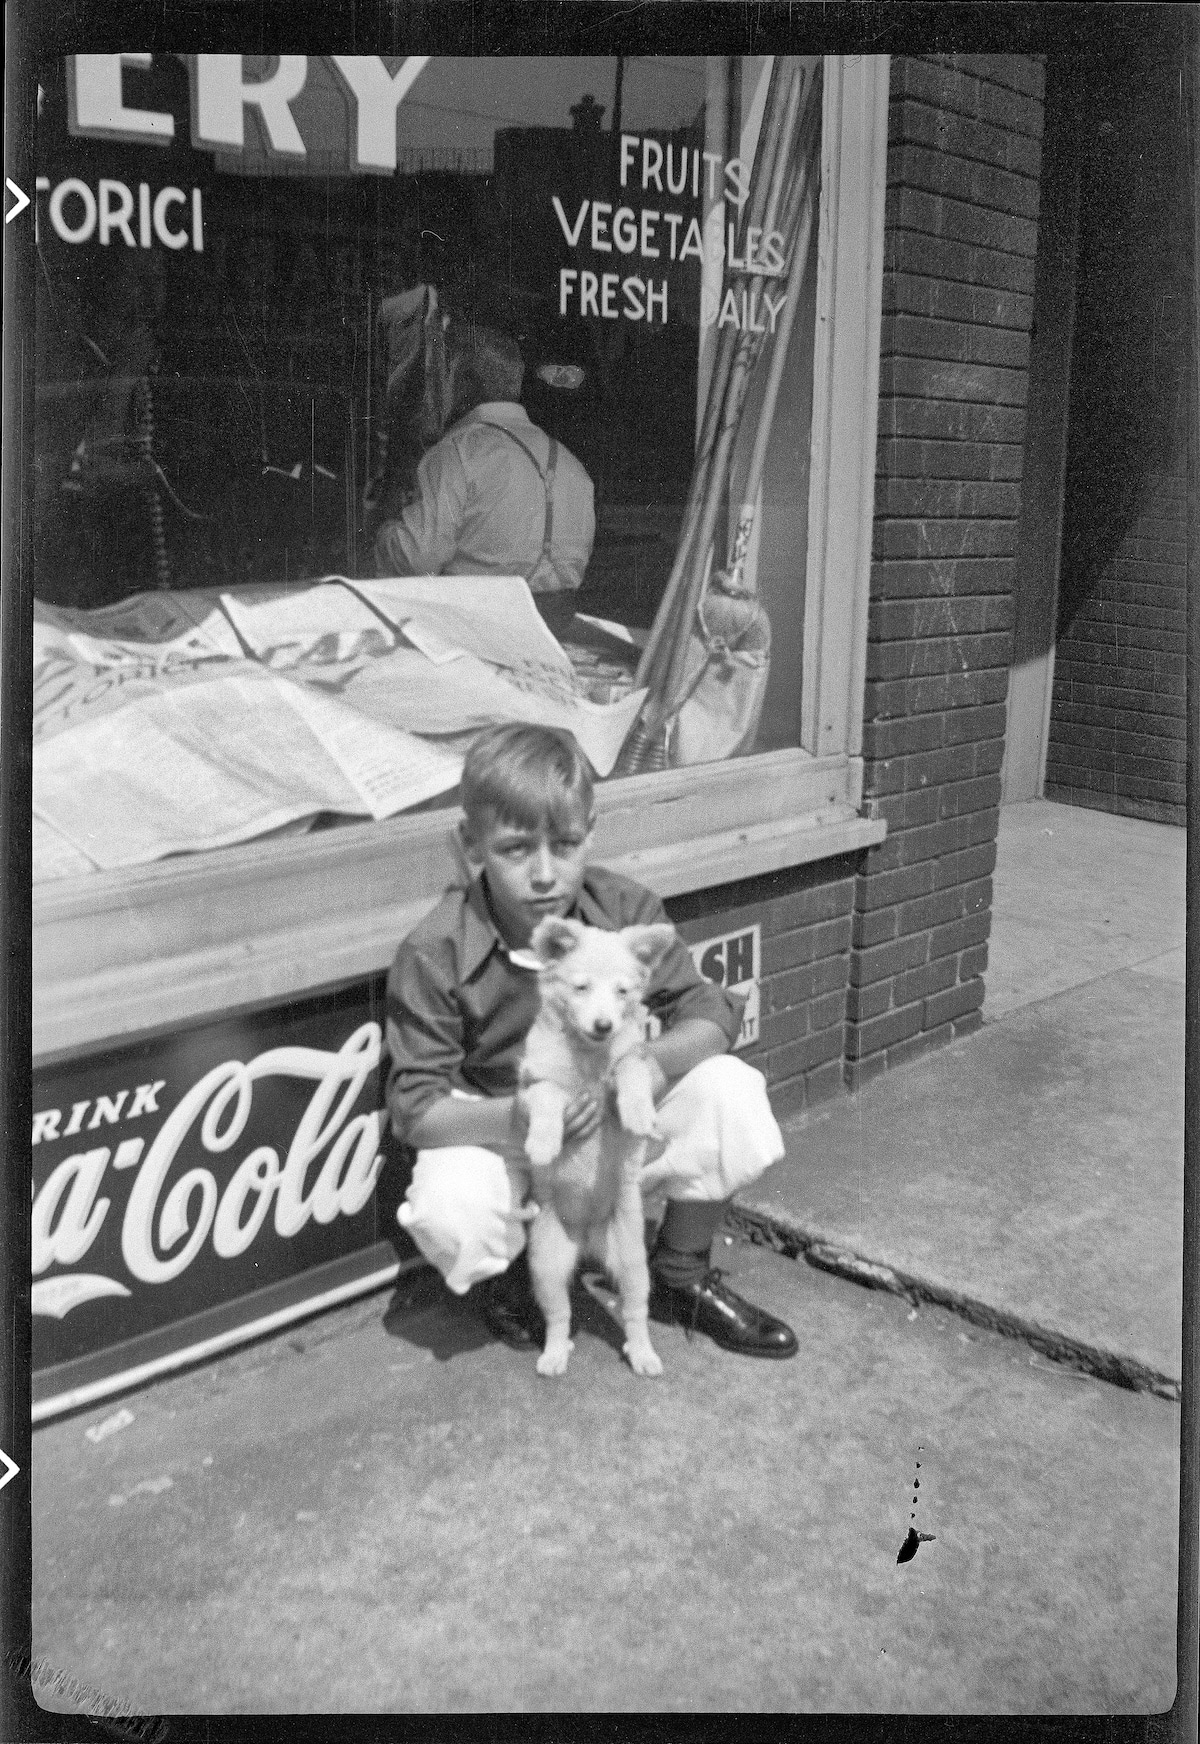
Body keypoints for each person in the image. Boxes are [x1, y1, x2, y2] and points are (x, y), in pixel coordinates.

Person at [385, 722, 798, 1360]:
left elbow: (709, 1014)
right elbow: (415, 1108)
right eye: (516, 849)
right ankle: (524, 1277)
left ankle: (678, 1275)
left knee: (730, 1090)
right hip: (513, 1133)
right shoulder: (436, 950)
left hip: (611, 1117)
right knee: (453, 1206)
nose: (545, 873)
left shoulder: (622, 909)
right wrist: (515, 1117)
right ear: (472, 845)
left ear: (591, 834)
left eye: (567, 844)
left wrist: (648, 1066)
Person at [373, 322, 596, 631]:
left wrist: (381, 530)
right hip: (554, 633)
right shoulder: (573, 466)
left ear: (459, 383)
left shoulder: (457, 454)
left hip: (478, 631)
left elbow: (416, 559)